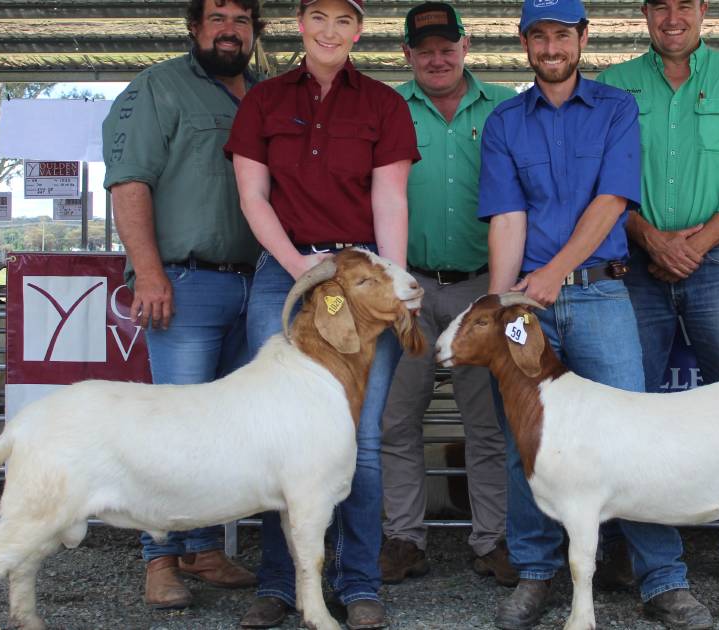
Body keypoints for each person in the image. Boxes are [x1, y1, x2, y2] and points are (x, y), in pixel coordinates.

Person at [478, 0, 713, 628]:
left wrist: (555, 272)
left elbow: (612, 202)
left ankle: (662, 578)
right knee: (525, 441)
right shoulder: (503, 121)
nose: (550, 48)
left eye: (562, 35)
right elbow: (507, 219)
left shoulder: (615, 109)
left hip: (602, 292)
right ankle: (535, 574)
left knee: (632, 438)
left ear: (583, 38)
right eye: (539, 37)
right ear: (523, 42)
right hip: (528, 303)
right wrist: (503, 311)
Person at [223, 0, 419, 627]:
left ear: (358, 31)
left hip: (358, 282)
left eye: (344, 20)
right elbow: (252, 195)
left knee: (357, 440)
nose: (330, 31)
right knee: (280, 434)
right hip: (284, 276)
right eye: (318, 18)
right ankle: (281, 584)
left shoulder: (383, 105)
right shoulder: (264, 101)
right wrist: (298, 269)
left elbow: (390, 199)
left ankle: (358, 584)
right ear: (301, 26)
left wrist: (387, 288)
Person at [595, 0, 719, 595]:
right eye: (660, 6)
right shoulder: (615, 83)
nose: (673, 17)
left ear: (703, 10)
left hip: (718, 259)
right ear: (645, 14)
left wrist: (695, 244)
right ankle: (633, 543)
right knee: (633, 405)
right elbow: (601, 179)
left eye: (684, 5)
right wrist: (648, 236)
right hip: (635, 260)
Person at [101, 0, 262, 611]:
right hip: (186, 283)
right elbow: (129, 182)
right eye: (217, 17)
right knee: (172, 430)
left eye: (242, 20)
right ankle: (159, 559)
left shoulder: (264, 92)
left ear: (255, 32)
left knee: (225, 431)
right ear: (194, 28)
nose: (229, 29)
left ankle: (204, 549)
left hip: (257, 284)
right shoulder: (156, 88)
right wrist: (148, 272)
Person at [378, 1, 517, 587]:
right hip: (409, 289)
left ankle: (493, 541)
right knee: (396, 419)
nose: (436, 58)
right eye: (424, 49)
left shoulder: (507, 109)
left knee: (486, 422)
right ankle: (403, 539)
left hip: (481, 289)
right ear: (407, 55)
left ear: (466, 47)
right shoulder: (386, 109)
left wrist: (504, 292)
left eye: (446, 46)